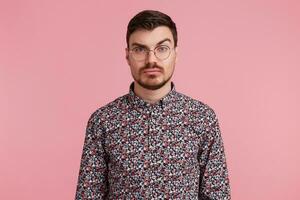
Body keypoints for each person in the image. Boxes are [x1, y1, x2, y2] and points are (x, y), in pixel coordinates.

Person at [75, 10, 231, 199]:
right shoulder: (102, 121)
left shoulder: (202, 118)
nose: (151, 60)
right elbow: (88, 196)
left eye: (162, 48)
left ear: (175, 53)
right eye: (140, 49)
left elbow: (217, 195)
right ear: (127, 56)